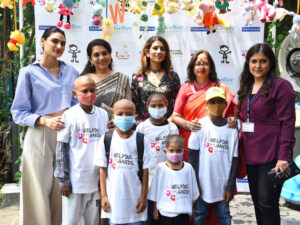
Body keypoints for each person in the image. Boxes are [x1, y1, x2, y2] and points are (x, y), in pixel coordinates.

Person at [10, 27, 79, 225]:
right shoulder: (28, 73)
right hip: (40, 134)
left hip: (66, 134)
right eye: (55, 41)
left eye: (63, 43)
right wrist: (43, 120)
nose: (59, 46)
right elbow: (18, 112)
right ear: (43, 42)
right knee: (37, 189)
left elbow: (77, 105)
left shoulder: (71, 72)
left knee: (62, 188)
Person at [171, 50, 236, 225]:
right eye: (198, 63)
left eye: (205, 63)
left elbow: (230, 114)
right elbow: (174, 116)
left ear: (211, 66)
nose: (201, 66)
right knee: (195, 198)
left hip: (216, 149)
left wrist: (232, 119)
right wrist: (188, 124)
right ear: (192, 66)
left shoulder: (220, 88)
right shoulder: (186, 88)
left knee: (219, 205)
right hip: (191, 147)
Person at [237, 43, 295, 225]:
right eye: (254, 61)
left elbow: (287, 123)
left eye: (263, 61)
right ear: (248, 63)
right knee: (258, 205)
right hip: (251, 155)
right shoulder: (247, 86)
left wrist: (284, 157)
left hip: (272, 156)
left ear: (270, 63)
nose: (258, 66)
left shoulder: (281, 86)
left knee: (268, 205)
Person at [55, 76, 108, 225]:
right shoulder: (69, 115)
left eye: (93, 90)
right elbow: (61, 149)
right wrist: (63, 180)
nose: (89, 94)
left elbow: (105, 146)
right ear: (74, 93)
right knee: (71, 220)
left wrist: (104, 179)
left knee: (93, 220)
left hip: (96, 179)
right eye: (85, 91)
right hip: (75, 181)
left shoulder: (102, 114)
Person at [94, 99, 156, 225]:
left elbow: (145, 171)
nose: (124, 117)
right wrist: (104, 196)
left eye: (128, 114)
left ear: (135, 116)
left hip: (136, 199)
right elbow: (102, 169)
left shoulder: (141, 140)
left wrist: (143, 197)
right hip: (114, 200)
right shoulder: (106, 139)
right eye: (120, 114)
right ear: (113, 117)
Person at [188, 87, 239, 225]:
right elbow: (192, 157)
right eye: (212, 101)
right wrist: (195, 183)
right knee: (199, 214)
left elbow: (235, 160)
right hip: (202, 184)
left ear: (225, 104)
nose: (216, 105)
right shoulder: (199, 125)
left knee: (224, 215)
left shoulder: (231, 128)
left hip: (223, 185)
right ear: (206, 104)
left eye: (220, 101)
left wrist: (230, 186)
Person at [136, 93, 179, 225]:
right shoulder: (142, 127)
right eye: (153, 105)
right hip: (146, 178)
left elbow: (176, 155)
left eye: (160, 105)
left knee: (163, 216)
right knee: (148, 216)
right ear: (147, 107)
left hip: (166, 179)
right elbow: (138, 153)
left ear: (167, 106)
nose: (157, 108)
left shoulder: (172, 128)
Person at [148, 134, 200, 225]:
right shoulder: (161, 168)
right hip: (165, 214)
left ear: (184, 151)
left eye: (178, 150)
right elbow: (154, 191)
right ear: (165, 151)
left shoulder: (188, 168)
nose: (175, 154)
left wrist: (191, 208)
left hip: (183, 214)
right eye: (171, 151)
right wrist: (155, 208)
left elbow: (192, 191)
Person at [81, 39, 131, 129]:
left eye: (104, 53)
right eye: (96, 55)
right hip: (90, 129)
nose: (101, 58)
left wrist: (119, 121)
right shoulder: (84, 80)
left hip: (118, 129)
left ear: (110, 54)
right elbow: (78, 109)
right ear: (90, 59)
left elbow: (129, 106)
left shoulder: (122, 78)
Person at [131, 36, 181, 122]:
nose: (159, 51)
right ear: (147, 52)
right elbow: (134, 106)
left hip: (168, 126)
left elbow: (178, 104)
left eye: (162, 49)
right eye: (155, 48)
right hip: (144, 129)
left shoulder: (172, 76)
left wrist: (171, 122)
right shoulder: (137, 78)